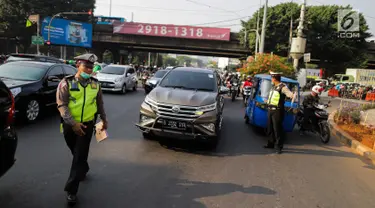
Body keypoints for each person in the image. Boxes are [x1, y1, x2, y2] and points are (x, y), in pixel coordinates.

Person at [56, 53, 108, 205]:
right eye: (86, 66)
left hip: (87, 124)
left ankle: (72, 190)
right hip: (69, 124)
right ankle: (83, 168)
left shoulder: (95, 84)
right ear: (78, 66)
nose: (89, 70)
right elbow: (62, 105)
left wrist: (104, 119)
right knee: (76, 151)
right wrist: (73, 123)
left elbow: (99, 104)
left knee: (79, 154)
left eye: (91, 67)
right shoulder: (66, 83)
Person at [264, 71, 295, 154]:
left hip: (277, 111)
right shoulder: (273, 87)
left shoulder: (283, 87)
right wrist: (267, 101)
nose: (271, 79)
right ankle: (271, 143)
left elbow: (289, 94)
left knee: (277, 129)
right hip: (270, 110)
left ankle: (279, 147)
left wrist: (292, 95)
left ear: (274, 78)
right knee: (269, 128)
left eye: (272, 78)